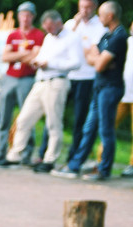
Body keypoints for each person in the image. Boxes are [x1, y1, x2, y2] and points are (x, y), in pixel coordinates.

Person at [0, 10, 80, 173]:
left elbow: (76, 63)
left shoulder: (72, 38)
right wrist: (36, 62)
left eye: (51, 27)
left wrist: (51, 64)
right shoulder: (48, 38)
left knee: (53, 123)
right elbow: (40, 55)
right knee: (24, 119)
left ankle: (50, 159)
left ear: (59, 23)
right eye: (46, 28)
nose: (49, 31)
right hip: (40, 81)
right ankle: (15, 155)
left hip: (57, 81)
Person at [52, 0, 128, 180]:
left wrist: (98, 59)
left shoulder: (119, 36)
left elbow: (99, 64)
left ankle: (104, 170)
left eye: (101, 15)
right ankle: (75, 165)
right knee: (89, 127)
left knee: (105, 130)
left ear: (110, 16)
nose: (99, 18)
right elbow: (91, 55)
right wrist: (98, 58)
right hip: (100, 87)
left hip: (110, 88)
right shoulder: (107, 35)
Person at [0, 1, 44, 166]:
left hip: (27, 78)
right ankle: (1, 152)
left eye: (28, 15)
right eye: (22, 14)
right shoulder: (13, 35)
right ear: (18, 16)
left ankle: (26, 153)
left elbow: (36, 57)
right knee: (4, 116)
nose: (25, 18)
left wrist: (18, 55)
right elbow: (5, 57)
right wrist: (25, 54)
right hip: (10, 77)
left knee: (27, 116)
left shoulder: (38, 35)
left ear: (33, 16)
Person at [63, 0, 105, 168]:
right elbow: (62, 45)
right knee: (57, 116)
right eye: (82, 7)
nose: (85, 10)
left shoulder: (100, 26)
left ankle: (74, 155)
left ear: (95, 7)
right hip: (67, 75)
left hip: (87, 77)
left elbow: (95, 52)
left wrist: (82, 48)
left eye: (88, 7)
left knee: (80, 118)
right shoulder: (70, 24)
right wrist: (75, 29)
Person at [119, 19, 133, 177]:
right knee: (107, 125)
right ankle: (101, 159)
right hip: (122, 93)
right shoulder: (126, 41)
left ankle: (132, 164)